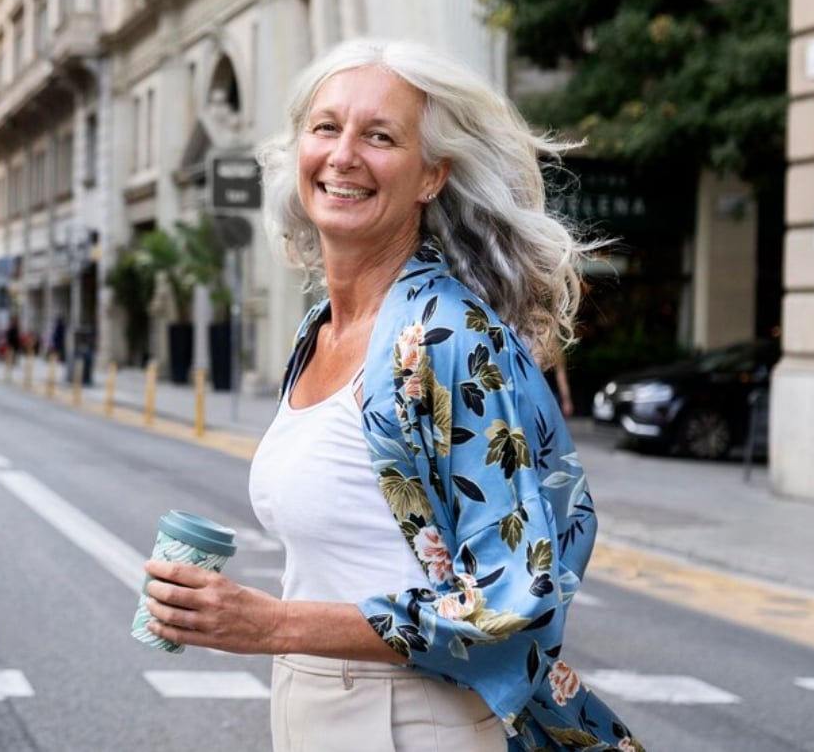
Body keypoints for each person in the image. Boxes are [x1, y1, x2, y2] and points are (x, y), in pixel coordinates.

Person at [140, 39, 633, 751]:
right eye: (326, 127)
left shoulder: (444, 339)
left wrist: (269, 622)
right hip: (319, 703)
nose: (344, 155)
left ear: (432, 174)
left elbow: (512, 600)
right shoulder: (323, 327)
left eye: (379, 136)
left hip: (410, 719)